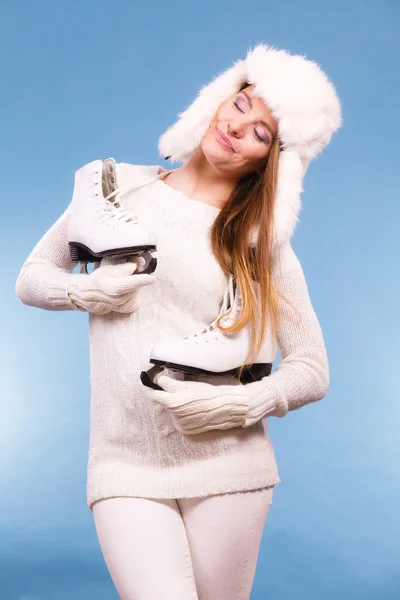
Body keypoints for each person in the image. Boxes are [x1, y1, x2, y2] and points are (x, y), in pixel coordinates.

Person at [15, 43, 342, 600]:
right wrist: (84, 290)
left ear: (273, 161)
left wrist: (245, 402)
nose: (240, 129)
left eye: (262, 133)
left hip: (229, 467)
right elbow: (31, 278)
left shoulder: (262, 243)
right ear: (216, 101)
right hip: (123, 465)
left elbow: (312, 367)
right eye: (242, 106)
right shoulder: (118, 193)